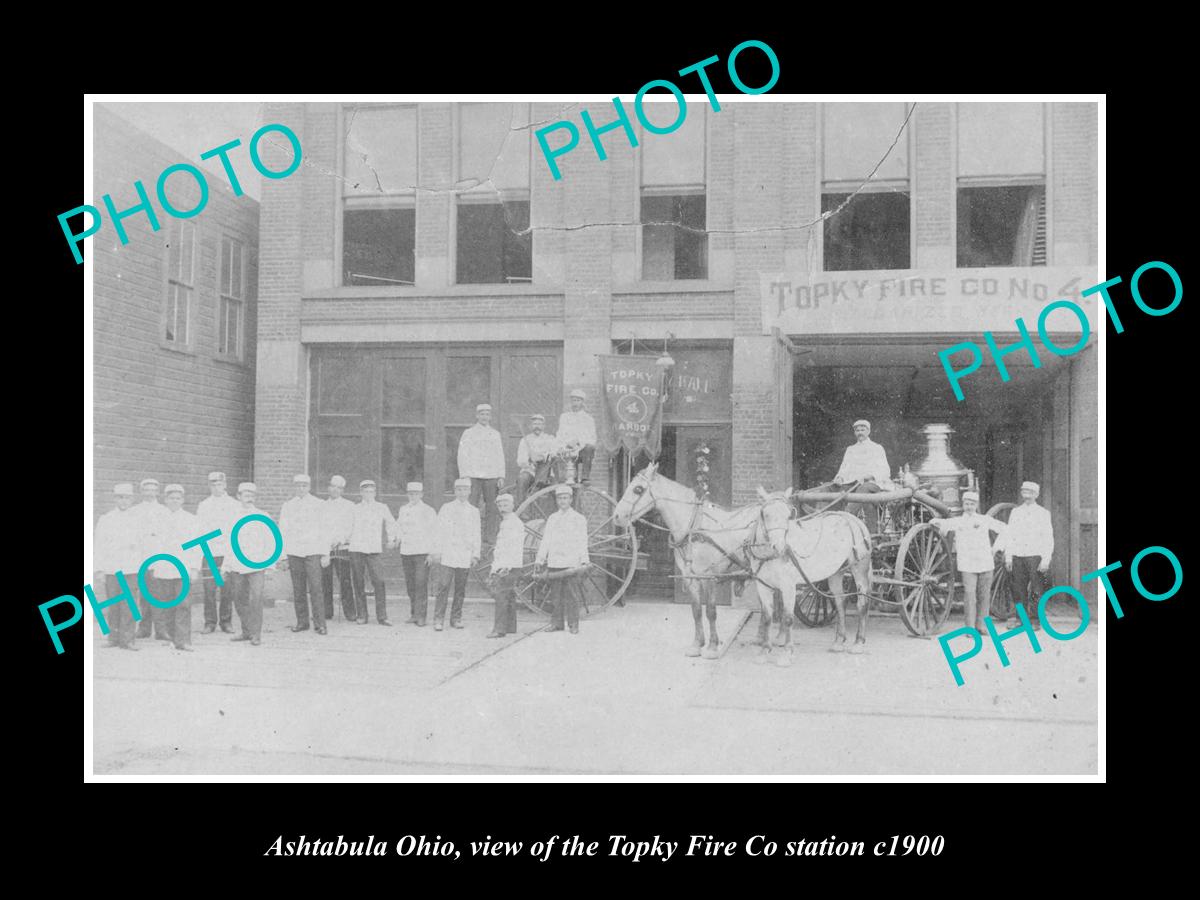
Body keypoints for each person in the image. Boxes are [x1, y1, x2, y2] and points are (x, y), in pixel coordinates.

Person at [932, 490, 1006, 634]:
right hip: (967, 564)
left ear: (976, 505)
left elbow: (1005, 529)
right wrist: (933, 521)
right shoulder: (958, 521)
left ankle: (982, 625)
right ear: (963, 504)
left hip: (985, 562)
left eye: (972, 504)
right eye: (966, 503)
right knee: (969, 594)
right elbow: (942, 524)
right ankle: (970, 627)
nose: (969, 506)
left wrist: (996, 548)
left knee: (984, 595)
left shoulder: (985, 519)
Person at [534, 484, 590, 634]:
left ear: (571, 499)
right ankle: (557, 624)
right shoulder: (552, 518)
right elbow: (546, 540)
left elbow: (582, 541)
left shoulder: (579, 519)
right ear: (557, 500)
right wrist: (540, 559)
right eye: (560, 498)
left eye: (565, 498)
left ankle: (573, 624)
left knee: (571, 595)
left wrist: (584, 560)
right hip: (555, 561)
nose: (562, 501)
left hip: (571, 562)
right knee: (556, 596)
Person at [279, 474, 328, 635]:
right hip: (294, 552)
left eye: (304, 485)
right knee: (298, 589)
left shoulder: (319, 504)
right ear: (294, 487)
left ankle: (320, 624)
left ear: (309, 487)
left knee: (315, 588)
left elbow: (324, 530)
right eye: (298, 485)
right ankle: (302, 622)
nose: (301, 488)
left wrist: (325, 553)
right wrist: (283, 556)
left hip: (312, 551)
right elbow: (282, 532)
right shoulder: (288, 506)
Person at [93, 483, 140, 650]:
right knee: (113, 603)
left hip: (131, 568)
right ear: (115, 499)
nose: (124, 501)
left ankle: (128, 639)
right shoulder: (106, 519)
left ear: (132, 499)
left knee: (129, 604)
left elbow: (143, 545)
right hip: (111, 568)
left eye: (127, 497)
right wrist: (98, 569)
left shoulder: (137, 519)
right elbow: (99, 545)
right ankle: (113, 637)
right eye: (120, 497)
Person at [223, 482, 271, 646]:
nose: (249, 499)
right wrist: (226, 566)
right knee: (239, 598)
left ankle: (256, 634)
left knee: (256, 598)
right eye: (245, 495)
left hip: (257, 564)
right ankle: (246, 631)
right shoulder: (232, 517)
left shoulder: (263, 516)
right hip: (237, 564)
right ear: (238, 497)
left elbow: (270, 541)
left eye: (252, 495)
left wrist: (270, 565)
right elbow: (228, 543)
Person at [155, 484, 201, 651]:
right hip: (164, 568)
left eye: (178, 498)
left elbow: (197, 546)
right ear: (165, 500)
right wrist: (155, 566)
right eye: (171, 498)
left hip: (183, 568)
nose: (174, 501)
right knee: (167, 604)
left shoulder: (191, 519)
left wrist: (195, 568)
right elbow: (154, 545)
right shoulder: (158, 519)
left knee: (183, 604)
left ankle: (183, 640)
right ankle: (171, 638)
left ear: (182, 500)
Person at [1004, 481, 1054, 630]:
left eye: (1030, 493)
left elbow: (1048, 537)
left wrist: (1046, 559)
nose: (1027, 495)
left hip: (1035, 555)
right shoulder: (1015, 512)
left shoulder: (1043, 513)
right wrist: (1008, 556)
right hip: (1018, 555)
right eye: (1024, 492)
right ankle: (1021, 619)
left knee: (1037, 589)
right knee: (1018, 589)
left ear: (1036, 495)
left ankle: (1035, 620)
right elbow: (1009, 535)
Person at [432, 477, 481, 631]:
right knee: (443, 586)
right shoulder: (446, 508)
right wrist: (437, 551)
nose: (462, 493)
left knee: (460, 588)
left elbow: (476, 534)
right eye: (459, 490)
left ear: (469, 491)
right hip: (448, 553)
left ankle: (456, 618)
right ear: (455, 491)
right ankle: (438, 619)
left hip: (464, 554)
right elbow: (438, 531)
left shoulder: (474, 511)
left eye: (465, 490)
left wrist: (475, 554)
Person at [348, 479, 398, 625]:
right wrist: (342, 539)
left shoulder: (382, 507)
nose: (368, 494)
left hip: (373, 549)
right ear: (361, 493)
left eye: (371, 491)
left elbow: (391, 523)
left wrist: (391, 538)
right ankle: (362, 615)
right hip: (356, 549)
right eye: (365, 491)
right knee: (358, 581)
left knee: (379, 581)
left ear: (375, 493)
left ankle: (382, 616)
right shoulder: (355, 508)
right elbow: (348, 526)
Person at [196, 471, 241, 634]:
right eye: (213, 484)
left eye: (219, 484)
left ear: (225, 485)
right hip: (209, 551)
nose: (216, 487)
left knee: (227, 588)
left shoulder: (234, 505)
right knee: (209, 589)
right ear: (209, 486)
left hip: (227, 551)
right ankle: (209, 622)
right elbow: (200, 530)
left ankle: (226, 621)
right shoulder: (204, 505)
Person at [832, 419, 893, 534]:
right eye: (857, 430)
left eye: (862, 430)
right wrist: (839, 477)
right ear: (854, 433)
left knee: (863, 489)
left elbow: (885, 470)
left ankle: (844, 521)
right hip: (853, 483)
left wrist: (869, 476)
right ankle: (827, 520)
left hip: (873, 485)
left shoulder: (877, 448)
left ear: (868, 431)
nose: (860, 432)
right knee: (831, 489)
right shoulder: (850, 450)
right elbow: (844, 469)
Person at [457, 402, 506, 543]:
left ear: (490, 417)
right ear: (477, 416)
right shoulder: (469, 433)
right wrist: (464, 475)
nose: (485, 417)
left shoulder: (495, 434)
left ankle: (490, 536)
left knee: (492, 507)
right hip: (473, 475)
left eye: (487, 414)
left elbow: (499, 455)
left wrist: (501, 475)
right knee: (471, 506)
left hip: (491, 476)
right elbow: (462, 454)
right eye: (482, 414)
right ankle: (470, 536)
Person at [130, 477, 172, 641]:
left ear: (157, 492)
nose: (150, 493)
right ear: (141, 492)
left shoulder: (163, 511)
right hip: (140, 559)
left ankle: (161, 630)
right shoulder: (135, 511)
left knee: (158, 595)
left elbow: (167, 535)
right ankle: (144, 628)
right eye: (146, 489)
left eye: (153, 490)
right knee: (143, 595)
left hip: (158, 559)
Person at [395, 481, 438, 626]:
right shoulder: (403, 509)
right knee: (410, 584)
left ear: (421, 495)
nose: (413, 496)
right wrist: (396, 539)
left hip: (422, 552)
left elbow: (434, 533)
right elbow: (399, 527)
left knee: (420, 583)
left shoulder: (428, 510)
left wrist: (432, 553)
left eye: (416, 493)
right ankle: (414, 613)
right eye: (410, 493)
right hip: (406, 551)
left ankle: (421, 616)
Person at [488, 493, 524, 638]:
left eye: (506, 505)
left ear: (512, 505)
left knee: (501, 595)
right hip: (507, 564)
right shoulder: (506, 522)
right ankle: (510, 627)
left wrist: (506, 566)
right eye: (500, 506)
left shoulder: (514, 523)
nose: (502, 508)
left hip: (509, 565)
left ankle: (499, 629)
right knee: (508, 595)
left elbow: (514, 547)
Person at [321, 475, 357, 622]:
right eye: (333, 486)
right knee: (325, 580)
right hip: (325, 548)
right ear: (329, 487)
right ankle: (326, 611)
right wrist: (326, 542)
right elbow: (320, 527)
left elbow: (351, 526)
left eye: (339, 487)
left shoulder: (349, 506)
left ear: (343, 490)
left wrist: (340, 539)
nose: (335, 490)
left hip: (342, 547)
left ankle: (350, 612)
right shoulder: (322, 505)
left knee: (345, 580)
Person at [516, 414, 560, 503]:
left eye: (540, 424)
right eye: (535, 424)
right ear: (531, 426)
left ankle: (560, 513)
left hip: (546, 473)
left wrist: (542, 456)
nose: (537, 427)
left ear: (544, 426)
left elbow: (555, 453)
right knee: (522, 478)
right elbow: (520, 460)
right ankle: (522, 510)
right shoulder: (525, 440)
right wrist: (530, 461)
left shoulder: (550, 439)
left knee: (558, 490)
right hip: (530, 471)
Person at [557, 389, 598, 484]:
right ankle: (571, 480)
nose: (575, 403)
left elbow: (592, 439)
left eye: (578, 400)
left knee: (590, 447)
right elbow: (560, 434)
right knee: (571, 480)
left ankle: (585, 477)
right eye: (573, 400)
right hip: (567, 451)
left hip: (581, 451)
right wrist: (566, 444)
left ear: (582, 402)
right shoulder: (564, 417)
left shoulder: (588, 419)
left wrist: (578, 441)